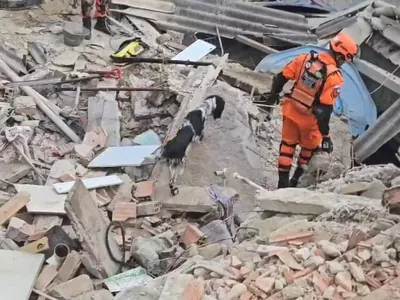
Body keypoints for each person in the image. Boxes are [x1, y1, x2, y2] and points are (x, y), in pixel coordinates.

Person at [266, 32, 359, 189]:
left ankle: (281, 184)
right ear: (341, 56)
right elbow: (323, 112)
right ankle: (294, 182)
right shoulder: (335, 77)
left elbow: (279, 78)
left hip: (290, 111)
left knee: (286, 147)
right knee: (307, 151)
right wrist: (326, 136)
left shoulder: (304, 59)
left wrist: (272, 96)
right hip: (310, 122)